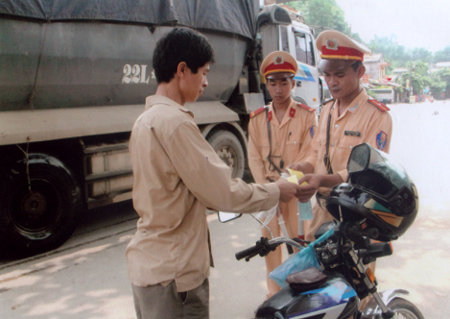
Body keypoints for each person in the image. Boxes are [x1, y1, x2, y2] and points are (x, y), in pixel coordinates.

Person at [125, 27, 303, 319]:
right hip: (175, 276)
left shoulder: (145, 121)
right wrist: (276, 191)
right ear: (182, 70)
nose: (206, 82)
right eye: (203, 72)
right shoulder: (175, 123)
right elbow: (223, 192)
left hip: (149, 268)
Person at [291, 30, 393, 242]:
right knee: (312, 270)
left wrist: (321, 180)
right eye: (327, 75)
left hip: (355, 218)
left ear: (360, 71)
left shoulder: (377, 116)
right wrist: (303, 168)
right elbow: (317, 155)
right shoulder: (327, 110)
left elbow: (368, 172)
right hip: (321, 211)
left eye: (339, 75)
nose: (331, 82)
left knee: (352, 275)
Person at [247, 51, 318, 298]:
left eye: (284, 82)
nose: (278, 88)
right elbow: (254, 158)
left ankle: (303, 293)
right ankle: (275, 295)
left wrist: (286, 182)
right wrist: (269, 192)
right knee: (269, 246)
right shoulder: (256, 119)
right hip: (268, 193)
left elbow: (312, 157)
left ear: (293, 83)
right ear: (266, 85)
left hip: (298, 193)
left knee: (302, 244)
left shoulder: (307, 116)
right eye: (273, 82)